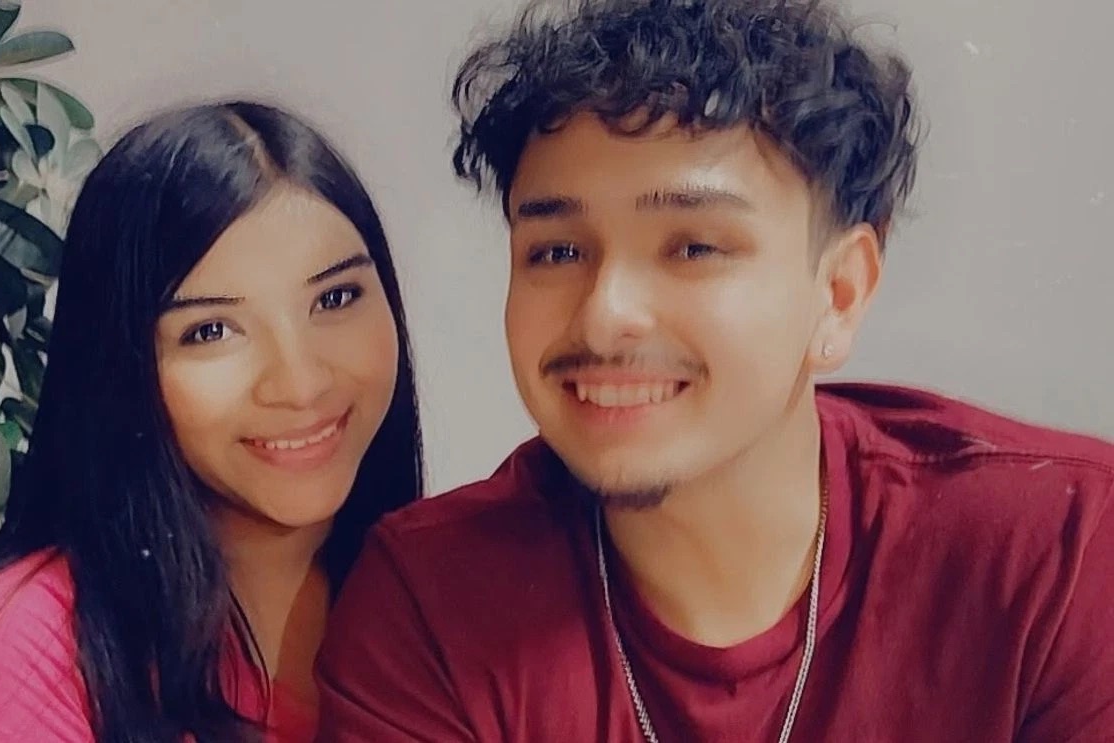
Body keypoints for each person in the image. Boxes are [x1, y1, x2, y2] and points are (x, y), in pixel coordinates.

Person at [315, 0, 1114, 741]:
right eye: (556, 252)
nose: (604, 314)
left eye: (694, 246)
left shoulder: (1059, 550)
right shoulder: (434, 605)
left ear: (839, 294)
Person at [0, 101, 423, 742]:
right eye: (211, 331)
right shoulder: (36, 647)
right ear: (121, 365)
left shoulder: (430, 591)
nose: (300, 384)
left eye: (335, 297)